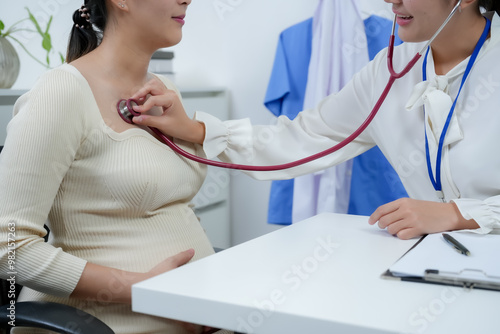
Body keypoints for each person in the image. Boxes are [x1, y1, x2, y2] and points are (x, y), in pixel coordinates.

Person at [130, 0, 500, 240]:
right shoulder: (389, 73)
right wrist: (196, 129)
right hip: (434, 266)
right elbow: (306, 136)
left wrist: (457, 215)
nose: (391, 1)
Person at [0, 0, 231, 333]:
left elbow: (172, 211)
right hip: (105, 322)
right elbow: (9, 246)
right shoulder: (60, 92)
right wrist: (140, 287)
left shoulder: (163, 93)